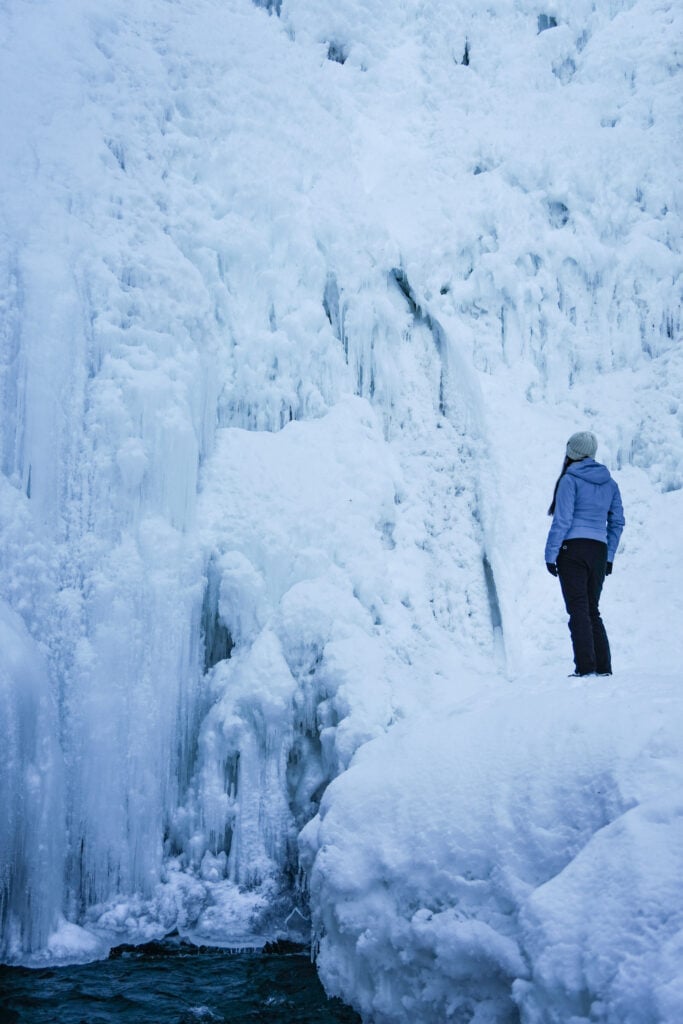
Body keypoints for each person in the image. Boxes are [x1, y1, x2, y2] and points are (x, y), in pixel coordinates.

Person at [545, 431, 625, 677]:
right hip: (598, 550)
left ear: (572, 452)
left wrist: (550, 554)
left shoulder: (569, 480)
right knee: (592, 609)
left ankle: (586, 668)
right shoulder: (610, 483)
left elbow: (563, 519)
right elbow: (618, 522)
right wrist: (609, 555)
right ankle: (603, 668)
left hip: (573, 550)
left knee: (578, 609)